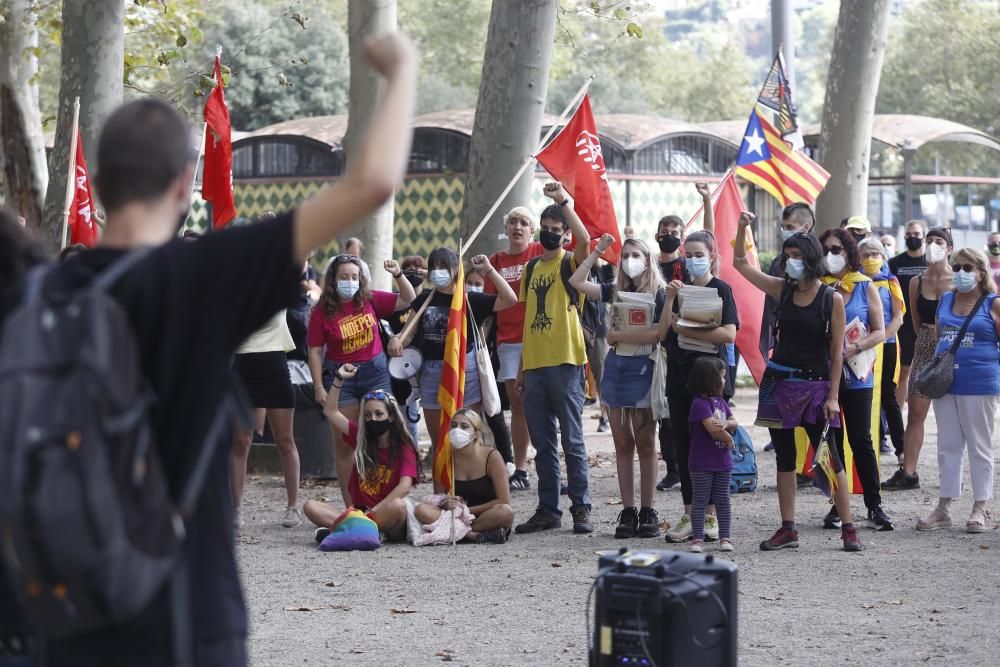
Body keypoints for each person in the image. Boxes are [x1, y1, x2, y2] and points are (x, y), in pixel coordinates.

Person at [0, 33, 416, 666]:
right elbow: (373, 182)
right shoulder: (202, 277)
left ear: (100, 183)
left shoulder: (35, 292)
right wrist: (401, 69)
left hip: (58, 619)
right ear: (186, 180)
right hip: (183, 621)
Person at [732, 214, 862, 552]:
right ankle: (788, 528)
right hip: (778, 383)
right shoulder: (781, 289)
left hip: (818, 386)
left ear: (811, 260)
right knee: (784, 458)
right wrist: (743, 227)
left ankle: (849, 528)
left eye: (796, 256)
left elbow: (837, 354)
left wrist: (833, 396)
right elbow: (740, 264)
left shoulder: (830, 299)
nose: (790, 262)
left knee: (832, 457)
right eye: (787, 256)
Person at [570, 233, 665, 538]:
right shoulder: (615, 290)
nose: (630, 261)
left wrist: (616, 336)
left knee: (647, 443)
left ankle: (649, 509)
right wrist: (597, 249)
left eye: (636, 255)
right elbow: (578, 281)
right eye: (625, 256)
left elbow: (658, 334)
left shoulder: (660, 293)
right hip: (617, 368)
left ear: (648, 259)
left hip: (646, 368)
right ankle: (628, 510)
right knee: (622, 444)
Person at [513, 181, 593, 535]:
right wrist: (520, 369)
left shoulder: (572, 264)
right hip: (534, 367)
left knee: (572, 441)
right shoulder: (530, 269)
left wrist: (563, 201)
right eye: (544, 230)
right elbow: (526, 323)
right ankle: (548, 509)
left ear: (564, 235)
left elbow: (587, 241)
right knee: (543, 443)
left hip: (566, 362)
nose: (549, 235)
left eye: (556, 230)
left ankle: (581, 508)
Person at [308, 253, 416, 506]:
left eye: (355, 277)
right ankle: (351, 507)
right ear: (333, 280)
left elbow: (409, 299)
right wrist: (318, 386)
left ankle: (381, 501)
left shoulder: (370, 298)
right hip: (341, 378)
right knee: (345, 444)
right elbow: (314, 351)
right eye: (344, 277)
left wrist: (398, 275)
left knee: (382, 436)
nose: (350, 281)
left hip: (375, 373)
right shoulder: (321, 311)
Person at [661, 228, 738, 543]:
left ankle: (710, 516)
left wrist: (689, 331)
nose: (693, 261)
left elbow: (729, 334)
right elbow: (665, 334)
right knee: (683, 445)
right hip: (679, 377)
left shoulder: (722, 289)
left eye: (698, 255)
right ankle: (691, 512)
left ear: (712, 256)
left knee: (710, 443)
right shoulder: (679, 290)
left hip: (708, 378)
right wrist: (668, 302)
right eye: (688, 255)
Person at [396, 248, 516, 451]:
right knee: (440, 445)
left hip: (465, 373)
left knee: (466, 441)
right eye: (433, 267)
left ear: (455, 269)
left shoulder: (471, 299)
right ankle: (443, 483)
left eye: (443, 267)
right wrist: (396, 341)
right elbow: (407, 335)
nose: (437, 272)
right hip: (431, 374)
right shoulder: (424, 299)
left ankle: (469, 482)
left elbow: (510, 299)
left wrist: (489, 270)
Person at [916, 249, 999, 532]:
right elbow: (940, 337)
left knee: (979, 446)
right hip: (946, 383)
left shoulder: (993, 303)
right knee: (948, 445)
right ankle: (944, 507)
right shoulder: (946, 299)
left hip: (980, 382)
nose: (962, 272)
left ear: (981, 272)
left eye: (968, 267)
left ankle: (980, 506)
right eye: (958, 267)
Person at [817, 228, 894, 531]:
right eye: (825, 250)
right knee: (832, 441)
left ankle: (874, 505)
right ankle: (838, 505)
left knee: (861, 439)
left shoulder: (866, 286)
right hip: (825, 375)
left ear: (849, 253)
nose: (830, 255)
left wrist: (854, 347)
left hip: (858, 374)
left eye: (836, 249)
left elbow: (880, 329)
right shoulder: (818, 287)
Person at [305, 365, 418, 543]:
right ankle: (360, 531)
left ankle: (347, 531)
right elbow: (330, 411)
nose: (372, 418)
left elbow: (404, 487)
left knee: (398, 506)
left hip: (387, 516)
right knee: (310, 506)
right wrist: (338, 379)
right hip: (359, 512)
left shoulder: (404, 447)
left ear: (391, 417)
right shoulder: (360, 436)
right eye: (367, 414)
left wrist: (374, 512)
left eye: (379, 413)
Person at [882, 226, 954, 491]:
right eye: (930, 240)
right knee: (915, 413)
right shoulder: (917, 281)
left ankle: (951, 473)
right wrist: (925, 343)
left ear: (949, 248)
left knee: (952, 417)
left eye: (939, 241)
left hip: (953, 349)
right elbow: (914, 320)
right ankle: (908, 472)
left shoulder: (959, 280)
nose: (932, 245)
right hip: (924, 346)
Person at [654, 182, 714, 490]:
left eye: (675, 230)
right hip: (656, 343)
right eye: (665, 230)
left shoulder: (687, 266)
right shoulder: (650, 264)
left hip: (685, 345)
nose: (670, 235)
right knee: (665, 413)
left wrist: (706, 201)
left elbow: (708, 240)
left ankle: (698, 469)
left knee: (691, 409)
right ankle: (672, 467)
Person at [486, 206, 544, 490]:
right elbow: (487, 305)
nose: (517, 227)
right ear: (506, 229)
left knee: (544, 404)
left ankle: (549, 465)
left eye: (523, 223)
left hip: (542, 338)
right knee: (518, 405)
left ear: (532, 230)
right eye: (513, 222)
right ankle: (520, 467)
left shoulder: (540, 252)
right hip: (509, 342)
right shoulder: (495, 261)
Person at [230, 308, 302, 528]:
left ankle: (293, 506)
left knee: (285, 440)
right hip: (241, 366)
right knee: (240, 441)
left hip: (274, 365)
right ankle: (235, 508)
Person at [758, 203, 816, 454]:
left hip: (814, 357)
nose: (785, 232)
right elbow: (772, 305)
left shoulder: (820, 264)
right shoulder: (778, 263)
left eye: (790, 227)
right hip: (784, 349)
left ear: (806, 228)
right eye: (782, 227)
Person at [413, 408, 514, 543]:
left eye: (464, 426)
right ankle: (473, 535)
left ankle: (455, 533)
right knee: (421, 510)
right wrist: (446, 503)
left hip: (483, 515)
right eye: (454, 426)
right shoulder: (443, 458)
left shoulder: (492, 457)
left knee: (505, 512)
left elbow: (503, 501)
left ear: (476, 434)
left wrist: (466, 510)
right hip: (452, 516)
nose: (457, 430)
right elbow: (438, 498)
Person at [859, 237, 906, 461]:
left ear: (883, 257)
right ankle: (869, 447)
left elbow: (898, 318)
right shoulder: (854, 282)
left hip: (886, 346)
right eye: (866, 254)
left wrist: (880, 338)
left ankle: (901, 449)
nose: (870, 259)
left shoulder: (891, 283)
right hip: (859, 349)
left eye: (875, 254)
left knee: (888, 396)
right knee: (863, 396)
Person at [686, 356, 737, 553]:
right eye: (722, 377)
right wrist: (729, 440)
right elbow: (712, 429)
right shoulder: (700, 404)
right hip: (702, 462)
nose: (725, 381)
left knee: (723, 500)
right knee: (700, 499)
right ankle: (698, 538)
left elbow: (734, 422)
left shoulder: (722, 402)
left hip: (722, 461)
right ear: (710, 379)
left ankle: (725, 537)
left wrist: (726, 424)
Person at [887, 220, 928, 406]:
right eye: (909, 234)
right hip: (902, 324)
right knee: (903, 371)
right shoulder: (894, 263)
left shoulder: (931, 262)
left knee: (927, 371)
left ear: (924, 236)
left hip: (928, 322)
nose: (913, 237)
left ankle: (920, 410)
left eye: (917, 234)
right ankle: (898, 413)